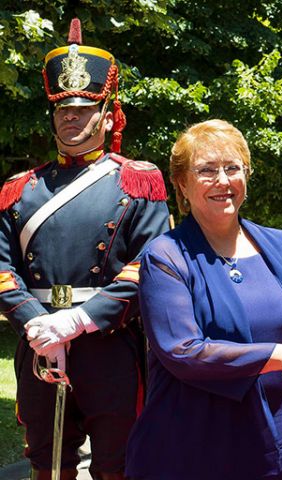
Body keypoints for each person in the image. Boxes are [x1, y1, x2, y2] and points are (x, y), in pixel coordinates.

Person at [125, 119, 282, 480]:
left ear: (246, 177)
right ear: (182, 185)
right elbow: (183, 351)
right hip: (199, 447)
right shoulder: (165, 256)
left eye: (232, 168)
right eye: (206, 170)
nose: (222, 180)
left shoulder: (278, 244)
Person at [0, 18, 170, 480]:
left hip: (107, 343)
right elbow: (0, 268)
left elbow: (150, 264)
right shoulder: (19, 189)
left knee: (116, 464)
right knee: (47, 465)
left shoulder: (138, 181)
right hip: (38, 342)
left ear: (108, 114)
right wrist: (36, 323)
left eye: (83, 108)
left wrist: (78, 321)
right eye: (62, 110)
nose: (70, 117)